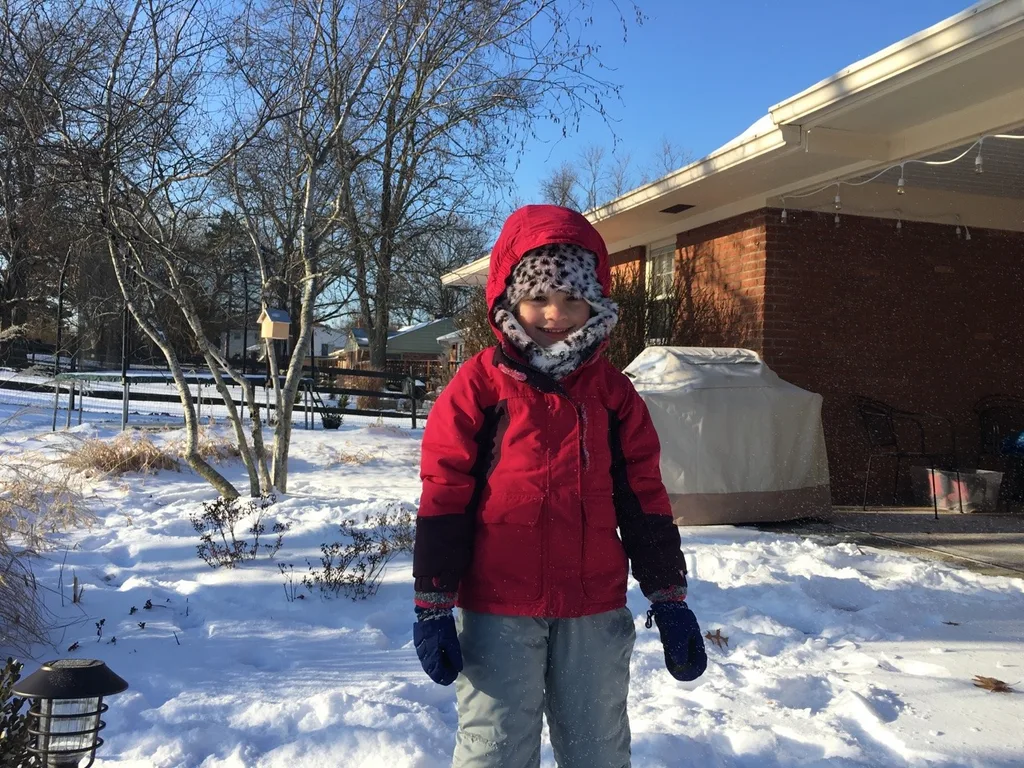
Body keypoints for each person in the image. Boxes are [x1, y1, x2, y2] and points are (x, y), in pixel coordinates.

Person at [412, 204, 707, 768]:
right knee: (492, 751)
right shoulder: (478, 387)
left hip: (592, 608)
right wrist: (432, 603)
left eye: (573, 299)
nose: (556, 314)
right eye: (539, 297)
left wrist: (668, 597)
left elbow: (643, 498)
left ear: (593, 303)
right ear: (508, 299)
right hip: (498, 605)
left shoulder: (614, 395)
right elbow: (444, 492)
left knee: (597, 750)